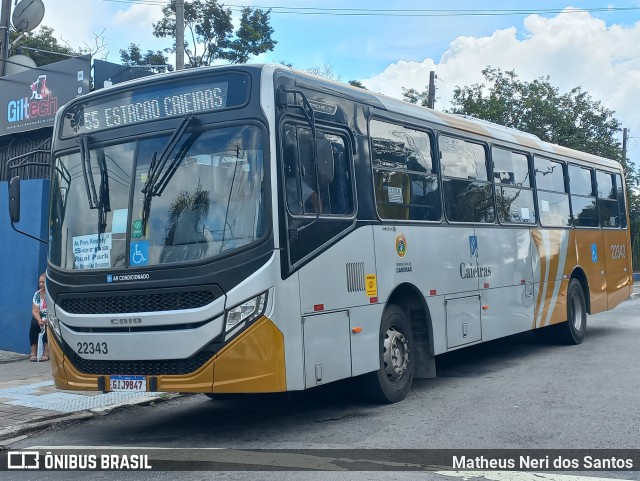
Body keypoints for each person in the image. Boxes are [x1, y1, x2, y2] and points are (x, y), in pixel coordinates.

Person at [29, 273, 49, 362]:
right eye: (40, 282)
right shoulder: (37, 294)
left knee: (49, 327)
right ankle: (33, 353)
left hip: (50, 317)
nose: (41, 284)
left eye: (43, 282)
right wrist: (39, 320)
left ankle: (46, 353)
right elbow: (35, 310)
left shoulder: (52, 294)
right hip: (40, 316)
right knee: (33, 324)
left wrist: (47, 319)